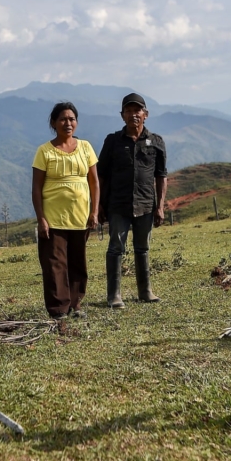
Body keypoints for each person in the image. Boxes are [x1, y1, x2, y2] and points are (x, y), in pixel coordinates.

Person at [97, 93, 167, 308]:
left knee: (142, 248)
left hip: (146, 204)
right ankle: (114, 296)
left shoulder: (156, 142)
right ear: (122, 115)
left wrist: (160, 207)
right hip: (118, 204)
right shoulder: (112, 141)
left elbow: (161, 176)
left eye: (137, 111)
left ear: (145, 115)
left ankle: (145, 292)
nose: (133, 115)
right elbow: (101, 175)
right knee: (116, 248)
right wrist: (99, 205)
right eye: (128, 111)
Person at [31, 102, 100, 319]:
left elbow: (95, 182)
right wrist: (41, 218)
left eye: (71, 119)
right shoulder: (44, 151)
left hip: (80, 216)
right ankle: (58, 309)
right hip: (54, 218)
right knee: (54, 264)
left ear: (76, 122)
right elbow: (36, 188)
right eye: (62, 119)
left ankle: (75, 304)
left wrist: (94, 211)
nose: (68, 123)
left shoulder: (86, 147)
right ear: (53, 123)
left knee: (77, 263)